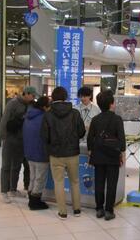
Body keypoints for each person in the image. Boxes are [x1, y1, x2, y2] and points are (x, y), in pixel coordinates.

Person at [41, 87, 86, 220]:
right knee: (75, 181)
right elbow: (82, 132)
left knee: (59, 182)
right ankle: (77, 209)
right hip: (73, 153)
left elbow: (44, 136)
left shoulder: (48, 115)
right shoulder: (75, 113)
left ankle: (63, 212)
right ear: (66, 97)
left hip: (55, 154)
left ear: (52, 98)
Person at [87, 90, 126, 221]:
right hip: (112, 156)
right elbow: (121, 140)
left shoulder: (95, 119)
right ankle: (109, 210)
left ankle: (99, 209)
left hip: (98, 155)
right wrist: (122, 153)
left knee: (99, 183)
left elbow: (89, 139)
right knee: (111, 184)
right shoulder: (117, 119)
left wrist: (90, 151)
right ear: (111, 104)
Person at [0, 86, 37, 203]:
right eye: (32, 95)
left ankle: (13, 189)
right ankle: (4, 191)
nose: (34, 97)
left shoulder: (31, 105)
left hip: (23, 140)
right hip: (10, 139)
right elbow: (4, 121)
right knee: (6, 166)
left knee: (17, 166)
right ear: (26, 94)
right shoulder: (12, 104)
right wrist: (4, 138)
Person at [23, 96, 51, 210]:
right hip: (40, 152)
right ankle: (35, 202)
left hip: (29, 151)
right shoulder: (44, 118)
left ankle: (31, 198)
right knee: (40, 178)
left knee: (33, 177)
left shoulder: (29, 115)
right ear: (44, 107)